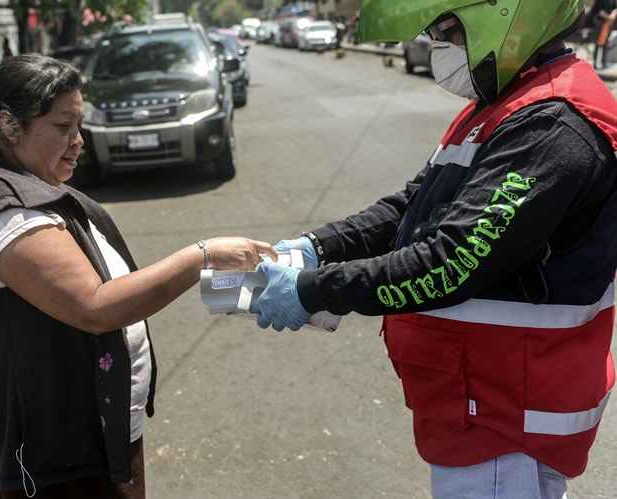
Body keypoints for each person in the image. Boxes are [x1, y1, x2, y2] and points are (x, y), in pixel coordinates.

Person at [253, 1, 617, 498]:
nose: (437, 46)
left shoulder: (550, 123)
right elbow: (412, 206)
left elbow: (453, 260)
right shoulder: (505, 105)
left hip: (505, 421)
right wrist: (318, 247)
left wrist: (314, 290)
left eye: (446, 31)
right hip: (479, 406)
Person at [0, 54, 274, 499]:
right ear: (9, 126)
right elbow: (96, 306)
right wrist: (201, 257)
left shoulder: (33, 187)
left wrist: (238, 286)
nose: (78, 141)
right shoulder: (6, 214)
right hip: (55, 462)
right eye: (63, 127)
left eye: (80, 125)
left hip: (91, 441)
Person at [589, 0, 617, 68]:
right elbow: (597, 10)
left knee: (606, 44)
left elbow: (615, 8)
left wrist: (613, 14)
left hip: (608, 23)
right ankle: (595, 63)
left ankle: (604, 62)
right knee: (598, 43)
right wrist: (608, 17)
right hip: (600, 22)